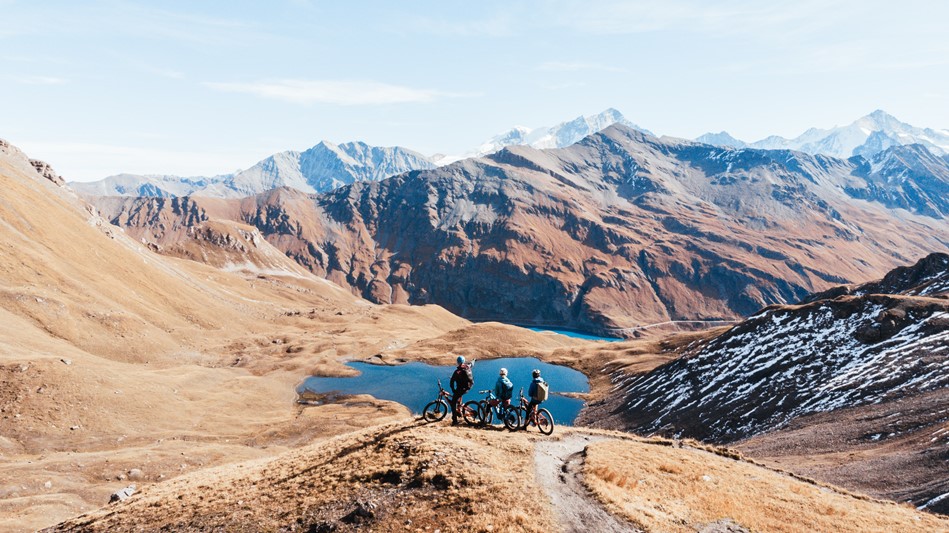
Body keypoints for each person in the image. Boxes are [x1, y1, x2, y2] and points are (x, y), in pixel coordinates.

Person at [449, 355, 473, 425]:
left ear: (458, 362)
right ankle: (459, 408)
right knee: (459, 396)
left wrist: (453, 390)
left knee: (453, 403)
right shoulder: (467, 366)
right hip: (468, 387)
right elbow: (472, 364)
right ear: (464, 361)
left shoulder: (457, 371)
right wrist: (474, 360)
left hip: (461, 389)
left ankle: (455, 420)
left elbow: (451, 382)